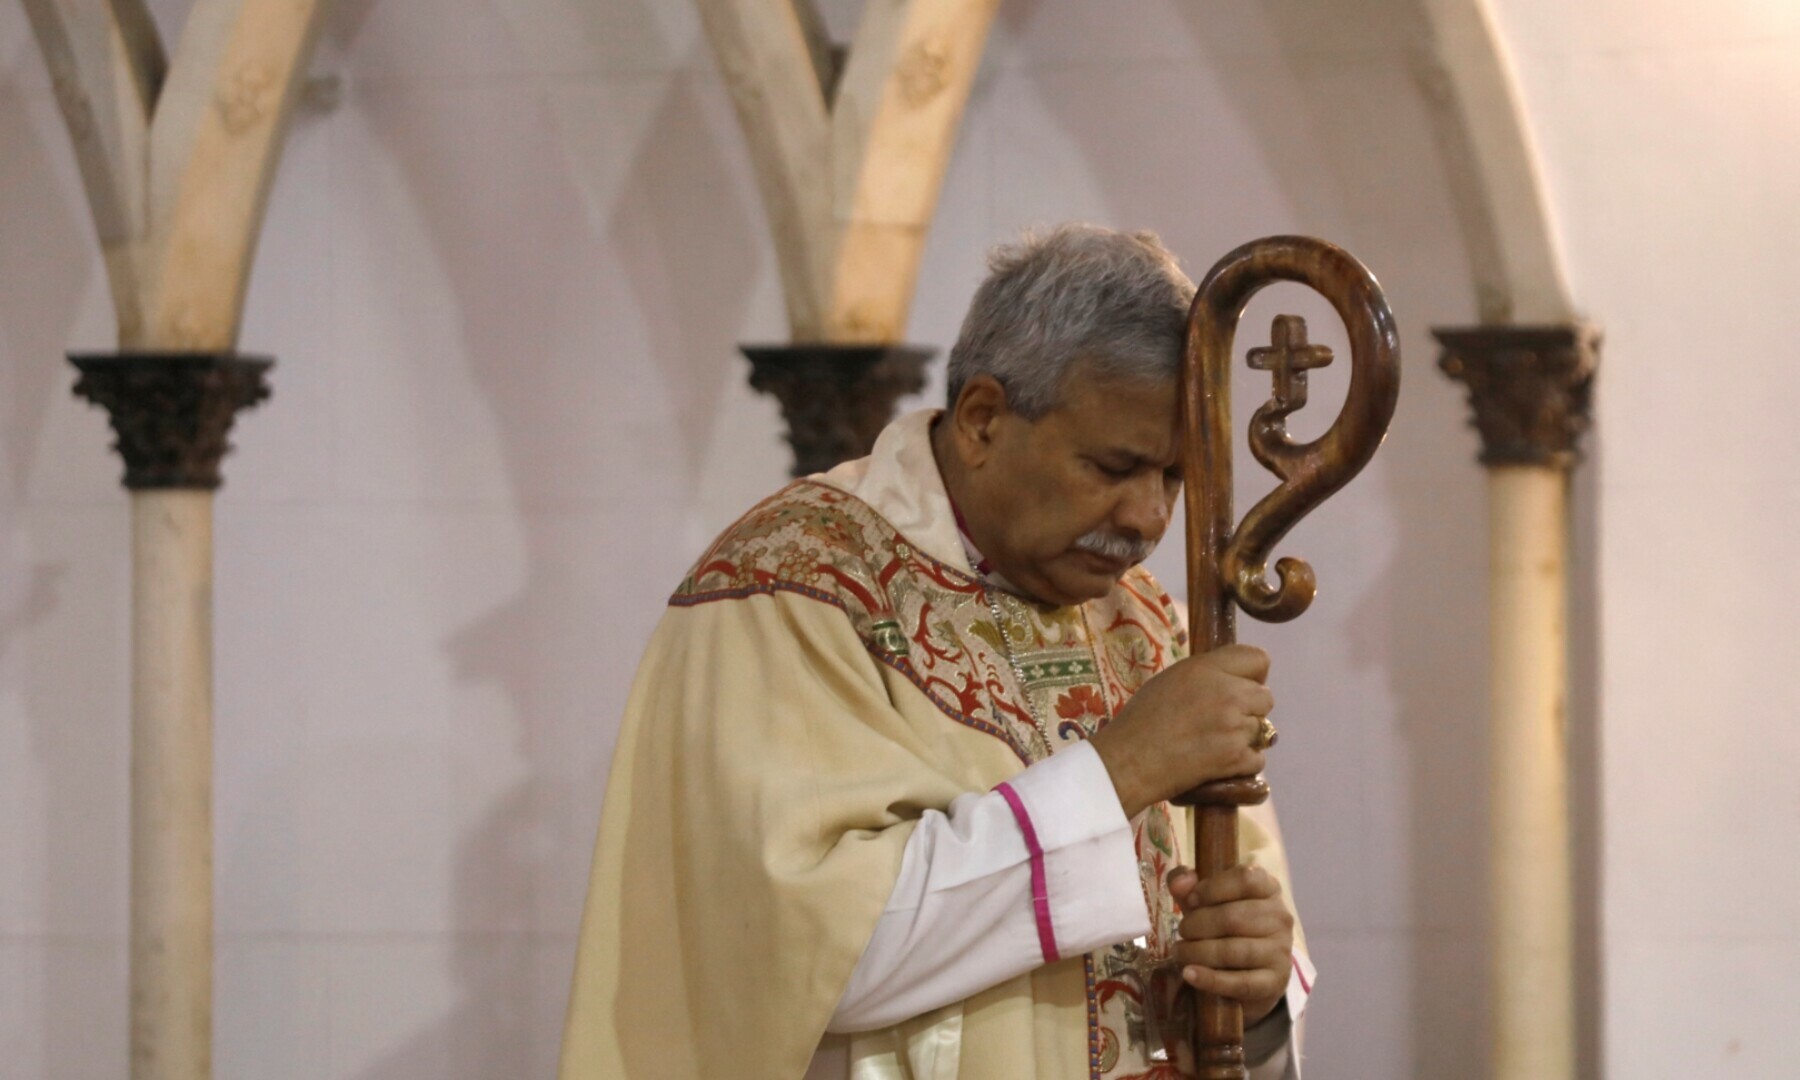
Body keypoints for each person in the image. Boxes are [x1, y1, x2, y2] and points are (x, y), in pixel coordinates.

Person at [560, 225, 1316, 1079]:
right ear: (984, 418)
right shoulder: (793, 590)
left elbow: (1246, 927)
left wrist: (1254, 994)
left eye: (1174, 477)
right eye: (1114, 466)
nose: (1148, 519)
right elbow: (797, 959)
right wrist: (1117, 775)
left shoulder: (1148, 622)